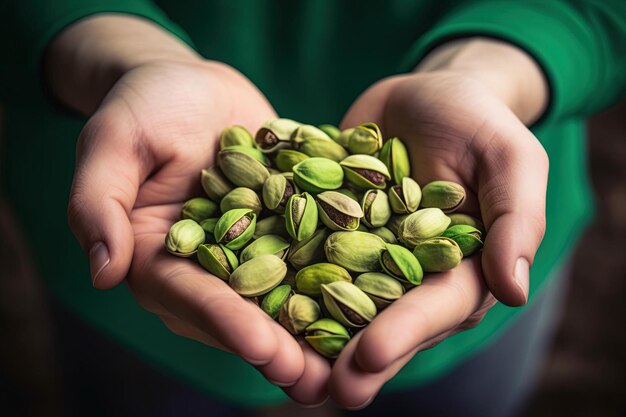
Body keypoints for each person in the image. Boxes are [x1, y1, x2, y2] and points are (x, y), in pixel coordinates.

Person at [1, 0, 624, 415]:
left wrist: (497, 69)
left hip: (487, 198)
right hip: (132, 235)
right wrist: (114, 49)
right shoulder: (252, 204)